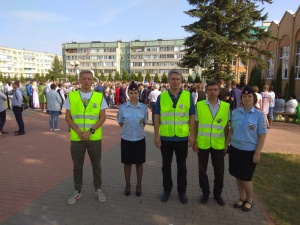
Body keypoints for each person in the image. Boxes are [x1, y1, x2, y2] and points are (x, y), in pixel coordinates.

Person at [63, 70, 108, 205]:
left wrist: (90, 131)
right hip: (77, 138)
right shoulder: (71, 96)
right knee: (77, 166)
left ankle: (98, 189)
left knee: (96, 165)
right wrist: (78, 132)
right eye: (84, 78)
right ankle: (77, 191)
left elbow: (103, 117)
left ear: (92, 80)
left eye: (89, 79)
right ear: (79, 80)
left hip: (94, 138)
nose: (86, 81)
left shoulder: (99, 96)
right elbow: (67, 117)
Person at [154, 69, 195, 204]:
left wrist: (192, 135)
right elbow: (156, 117)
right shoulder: (162, 97)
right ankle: (167, 190)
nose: (175, 81)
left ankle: (182, 192)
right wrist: (156, 136)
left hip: (182, 138)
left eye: (178, 79)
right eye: (173, 79)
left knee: (182, 167)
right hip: (166, 138)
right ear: (168, 81)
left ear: (181, 81)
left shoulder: (188, 96)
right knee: (166, 166)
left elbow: (192, 116)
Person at [225, 85, 267, 212]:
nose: (247, 98)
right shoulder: (236, 112)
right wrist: (226, 144)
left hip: (249, 152)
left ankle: (250, 200)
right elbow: (231, 130)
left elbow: (262, 136)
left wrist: (257, 153)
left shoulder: (259, 115)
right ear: (241, 98)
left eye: (249, 96)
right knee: (238, 176)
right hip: (235, 149)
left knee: (246, 178)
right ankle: (241, 198)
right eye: (244, 96)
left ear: (253, 98)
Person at [193, 80, 230, 206]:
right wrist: (194, 141)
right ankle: (205, 192)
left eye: (215, 90)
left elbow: (226, 126)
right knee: (202, 171)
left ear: (219, 91)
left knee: (219, 172)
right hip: (202, 143)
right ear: (206, 91)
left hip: (218, 144)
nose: (213, 92)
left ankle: (217, 194)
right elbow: (196, 124)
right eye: (210, 90)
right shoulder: (200, 105)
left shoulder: (226, 106)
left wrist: (226, 143)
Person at [117, 81, 148, 197]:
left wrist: (136, 130)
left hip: (139, 139)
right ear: (128, 94)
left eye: (136, 92)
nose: (134, 94)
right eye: (131, 92)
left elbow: (144, 122)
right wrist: (128, 130)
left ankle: (139, 185)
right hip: (126, 139)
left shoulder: (144, 108)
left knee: (139, 164)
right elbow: (120, 122)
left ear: (138, 93)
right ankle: (128, 185)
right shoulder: (122, 108)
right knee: (127, 163)